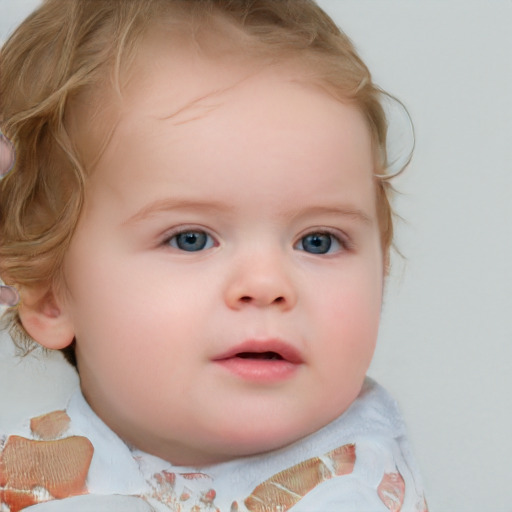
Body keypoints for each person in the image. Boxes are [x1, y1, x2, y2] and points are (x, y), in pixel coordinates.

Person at [0, 0, 427, 510]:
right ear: (50, 292)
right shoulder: (33, 466)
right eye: (191, 239)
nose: (268, 283)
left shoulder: (346, 492)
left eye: (319, 240)